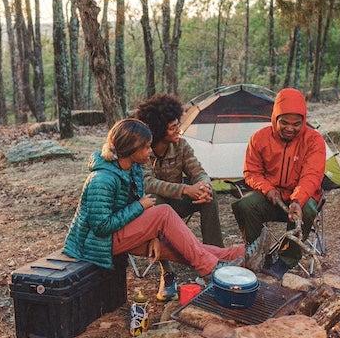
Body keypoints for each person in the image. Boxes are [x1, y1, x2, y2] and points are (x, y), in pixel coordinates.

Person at [63, 118, 244, 301]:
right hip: (96, 243)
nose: (150, 151)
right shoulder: (101, 180)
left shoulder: (132, 169)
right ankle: (211, 269)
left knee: (179, 249)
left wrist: (153, 237)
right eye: (146, 147)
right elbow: (101, 227)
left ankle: (238, 254)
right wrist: (139, 206)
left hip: (120, 233)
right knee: (163, 212)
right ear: (131, 148)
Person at [232, 88, 326, 279]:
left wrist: (298, 200)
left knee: (308, 210)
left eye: (296, 124)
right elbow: (251, 172)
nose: (290, 128)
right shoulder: (259, 138)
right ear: (275, 118)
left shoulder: (313, 140)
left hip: (299, 201)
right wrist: (267, 189)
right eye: (284, 122)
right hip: (271, 198)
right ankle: (256, 250)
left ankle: (286, 259)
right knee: (245, 205)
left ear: (304, 121)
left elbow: (312, 175)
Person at [135, 94, 224, 247]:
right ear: (158, 131)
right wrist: (185, 189)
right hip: (150, 208)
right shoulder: (143, 151)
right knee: (154, 198)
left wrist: (203, 186)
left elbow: (198, 171)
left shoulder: (181, 146)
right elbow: (147, 183)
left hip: (177, 203)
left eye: (178, 125)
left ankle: (215, 251)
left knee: (209, 194)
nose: (179, 131)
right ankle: (166, 265)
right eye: (172, 128)